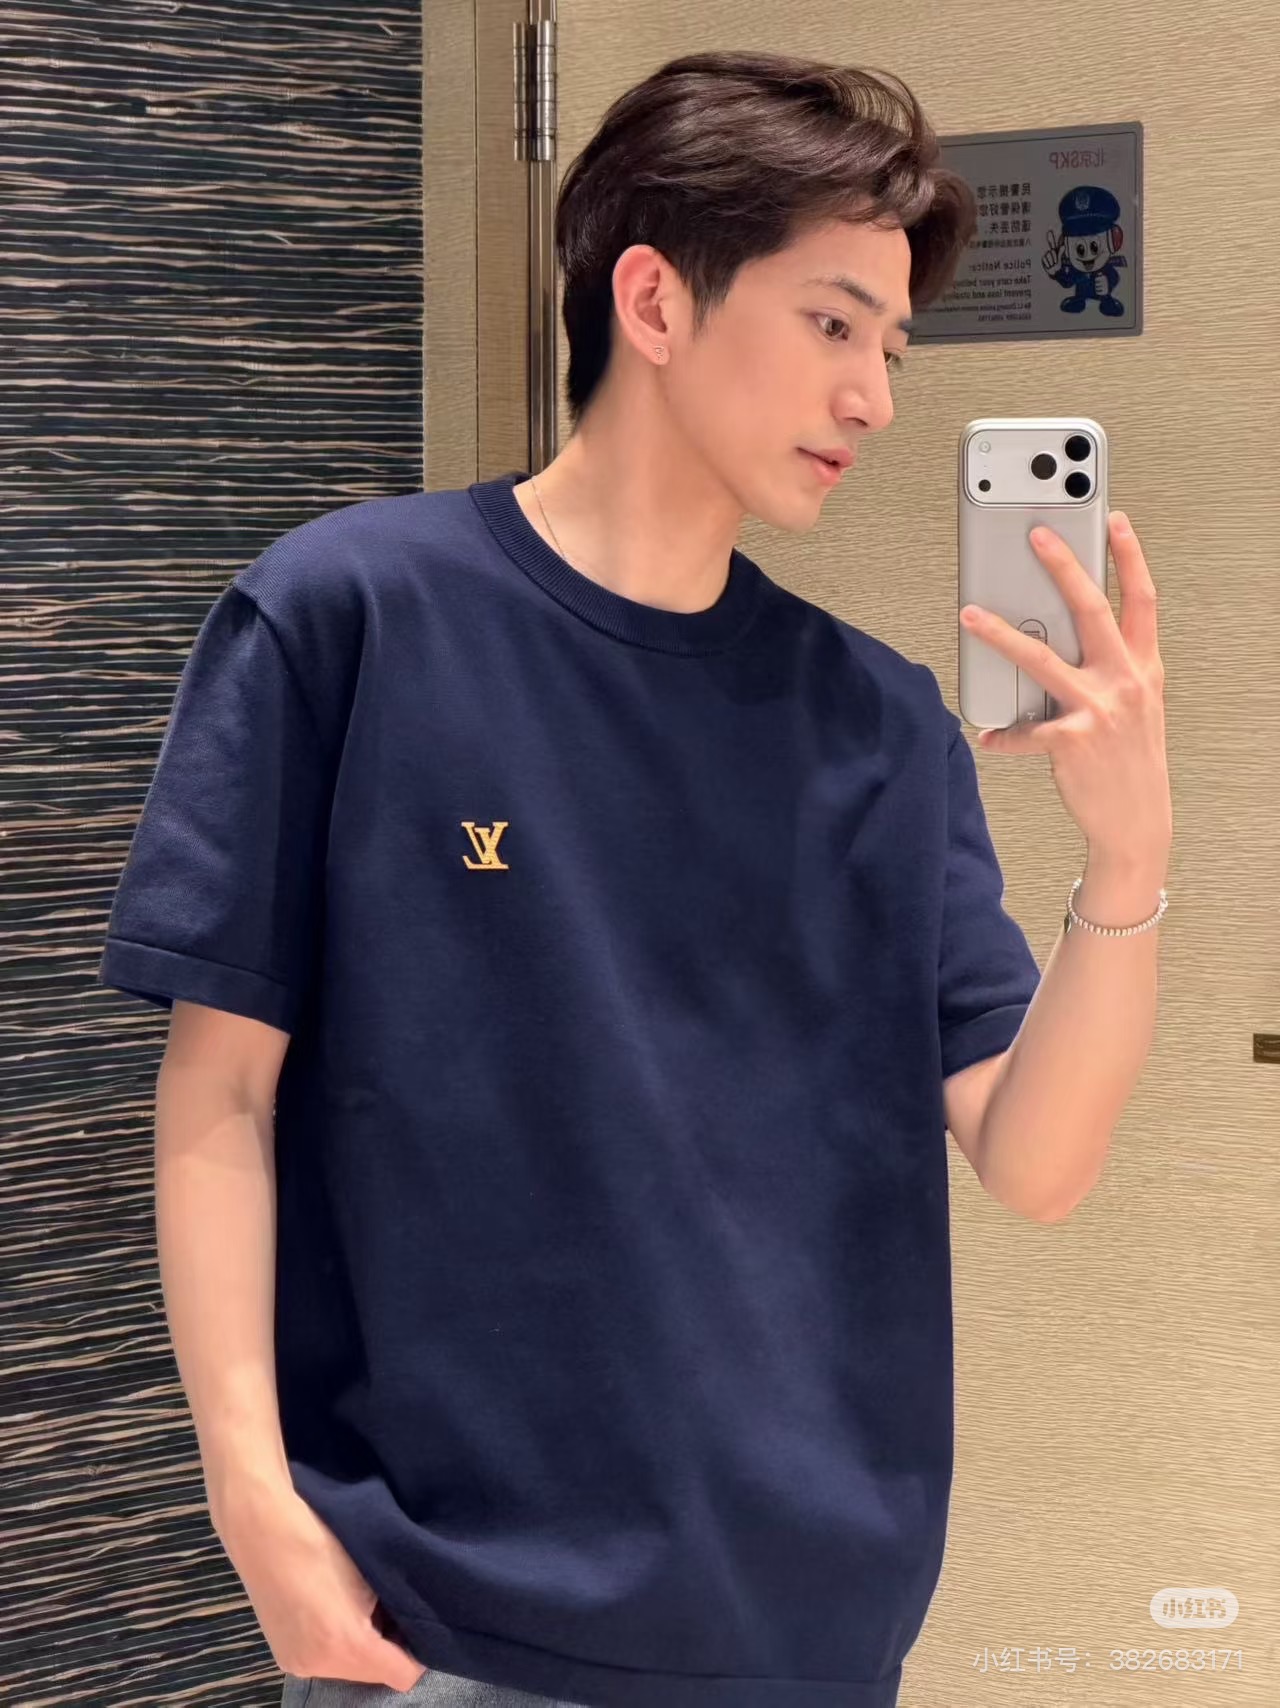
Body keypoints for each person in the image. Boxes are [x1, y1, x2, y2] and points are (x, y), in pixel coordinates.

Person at [97, 49, 1042, 1708]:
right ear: (655, 300)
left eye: (891, 349)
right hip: (447, 1629)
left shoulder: (882, 724)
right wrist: (252, 1504)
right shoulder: (351, 615)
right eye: (833, 326)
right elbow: (220, 1091)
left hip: (811, 1635)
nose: (874, 401)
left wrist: (1132, 855)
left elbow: (1033, 1156)